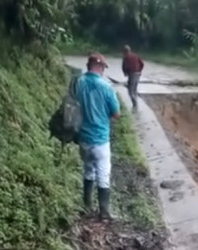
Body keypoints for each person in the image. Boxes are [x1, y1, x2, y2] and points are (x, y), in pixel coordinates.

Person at [76, 53, 120, 220]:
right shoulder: (105, 86)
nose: (103, 71)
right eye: (103, 68)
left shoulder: (78, 83)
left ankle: (86, 205)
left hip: (83, 137)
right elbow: (116, 114)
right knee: (103, 173)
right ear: (100, 67)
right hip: (100, 138)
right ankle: (104, 212)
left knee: (88, 170)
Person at [122, 45, 144, 110]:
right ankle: (136, 104)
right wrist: (140, 70)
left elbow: (124, 66)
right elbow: (142, 64)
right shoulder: (135, 55)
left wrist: (125, 73)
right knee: (134, 90)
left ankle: (135, 105)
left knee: (130, 91)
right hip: (138, 74)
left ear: (125, 51)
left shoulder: (125, 57)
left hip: (132, 74)